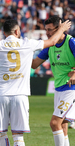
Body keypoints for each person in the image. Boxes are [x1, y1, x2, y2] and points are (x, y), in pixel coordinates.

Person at [32, 15, 75, 146]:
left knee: (54, 123)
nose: (47, 32)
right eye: (46, 29)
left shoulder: (71, 42)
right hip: (59, 89)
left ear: (60, 28)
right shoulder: (49, 45)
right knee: (62, 127)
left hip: (71, 88)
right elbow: (34, 64)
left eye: (50, 30)